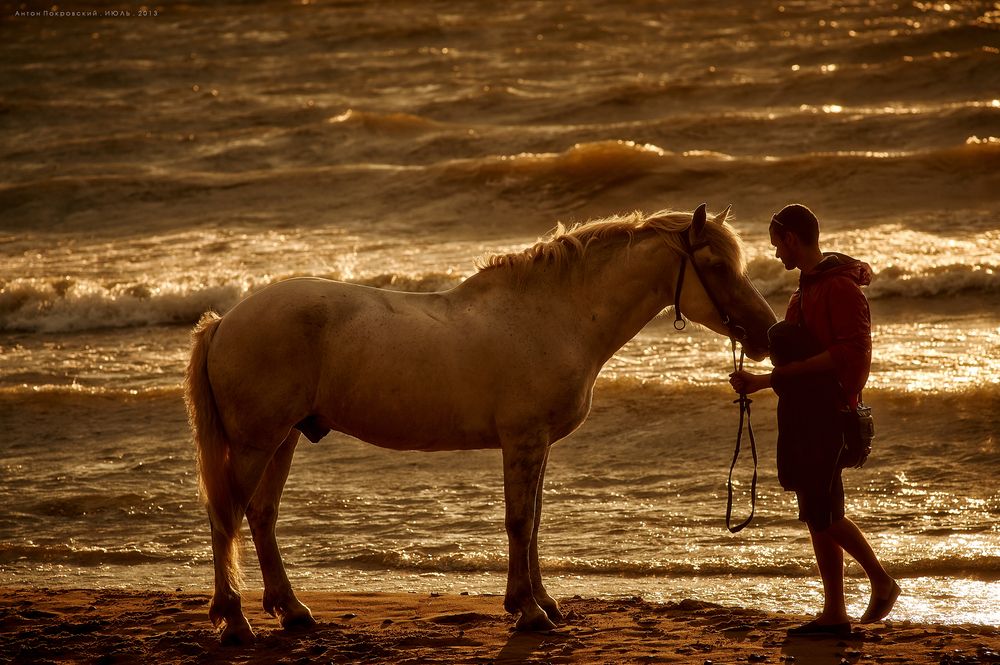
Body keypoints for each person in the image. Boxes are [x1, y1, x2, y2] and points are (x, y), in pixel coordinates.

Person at [729, 203, 900, 636]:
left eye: (777, 245)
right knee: (816, 509)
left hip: (830, 412)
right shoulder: (802, 292)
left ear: (791, 237)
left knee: (823, 513)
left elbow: (853, 355)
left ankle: (881, 581)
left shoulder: (839, 289)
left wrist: (777, 376)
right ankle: (835, 611)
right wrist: (760, 381)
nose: (777, 255)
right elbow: (791, 357)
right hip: (805, 414)